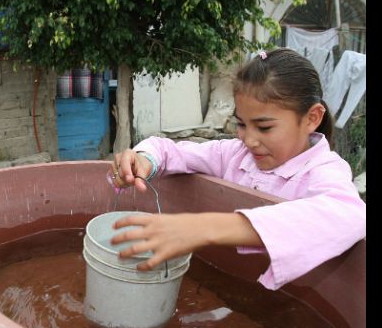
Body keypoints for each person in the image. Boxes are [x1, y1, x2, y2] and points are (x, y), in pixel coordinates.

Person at [109, 48, 365, 290]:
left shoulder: (323, 170)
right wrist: (144, 159)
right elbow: (170, 150)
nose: (249, 139)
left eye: (264, 127)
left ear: (312, 118)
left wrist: (204, 228)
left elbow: (349, 214)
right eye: (241, 124)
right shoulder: (233, 154)